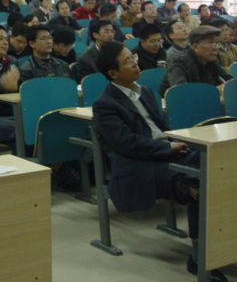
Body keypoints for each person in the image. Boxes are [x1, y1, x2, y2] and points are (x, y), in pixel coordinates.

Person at [93, 41, 227, 282]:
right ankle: (199, 258)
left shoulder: (144, 91)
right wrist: (167, 147)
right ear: (113, 73)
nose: (135, 62)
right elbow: (128, 144)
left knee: (219, 164)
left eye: (133, 57)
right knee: (199, 186)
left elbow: (160, 128)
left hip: (167, 152)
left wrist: (175, 144)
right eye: (128, 61)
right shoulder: (104, 104)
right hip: (140, 166)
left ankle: (226, 242)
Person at [159, 25, 233, 96]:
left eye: (216, 43)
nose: (216, 48)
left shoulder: (213, 61)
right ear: (196, 46)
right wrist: (215, 90)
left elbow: (228, 79)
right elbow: (181, 90)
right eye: (211, 43)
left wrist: (229, 86)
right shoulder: (179, 61)